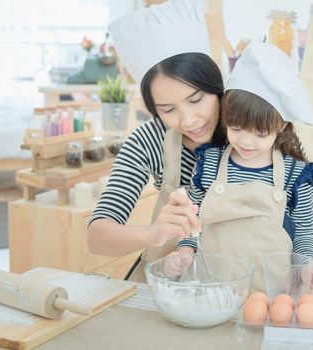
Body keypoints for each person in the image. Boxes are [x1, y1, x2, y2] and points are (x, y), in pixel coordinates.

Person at [164, 43, 313, 293]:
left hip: (272, 296)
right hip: (211, 292)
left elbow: (306, 232)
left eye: (260, 133)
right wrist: (183, 252)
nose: (245, 141)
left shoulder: (295, 175)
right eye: (236, 128)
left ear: (281, 126)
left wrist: (309, 265)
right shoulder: (208, 164)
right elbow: (192, 222)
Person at [87, 0, 223, 282]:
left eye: (196, 100)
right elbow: (97, 236)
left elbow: (303, 218)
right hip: (173, 286)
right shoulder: (148, 140)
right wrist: (152, 233)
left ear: (217, 87)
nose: (188, 121)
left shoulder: (251, 129)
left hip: (244, 284)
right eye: (168, 110)